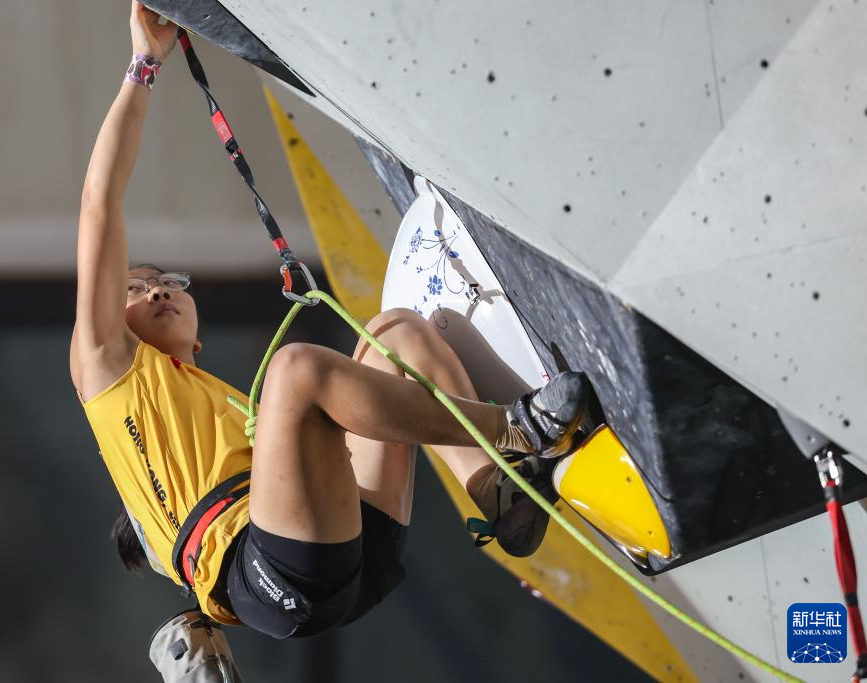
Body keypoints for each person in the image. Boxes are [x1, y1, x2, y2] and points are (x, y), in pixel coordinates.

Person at [72, 1, 591, 641]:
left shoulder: (216, 409)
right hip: (274, 576)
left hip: (345, 543)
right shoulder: (107, 370)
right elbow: (99, 204)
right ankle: (516, 429)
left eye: (165, 282)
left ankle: (496, 488)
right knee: (295, 371)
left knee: (396, 332)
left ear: (199, 339)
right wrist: (143, 64)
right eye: (132, 289)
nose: (154, 290)